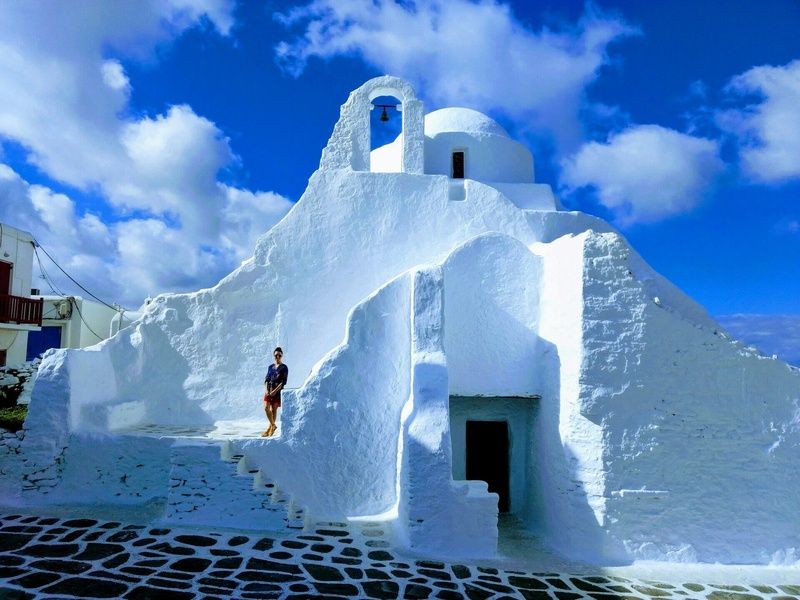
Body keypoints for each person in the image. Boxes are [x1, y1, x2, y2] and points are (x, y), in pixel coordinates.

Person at [263, 347, 288, 437]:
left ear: (281, 356)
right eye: (276, 355)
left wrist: (274, 391)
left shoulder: (284, 367)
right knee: (266, 408)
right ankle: (273, 425)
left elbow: (283, 382)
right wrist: (266, 389)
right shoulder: (270, 367)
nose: (277, 357)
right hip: (268, 390)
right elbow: (266, 379)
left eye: (279, 355)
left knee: (273, 410)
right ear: (273, 355)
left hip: (277, 391)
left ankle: (270, 429)